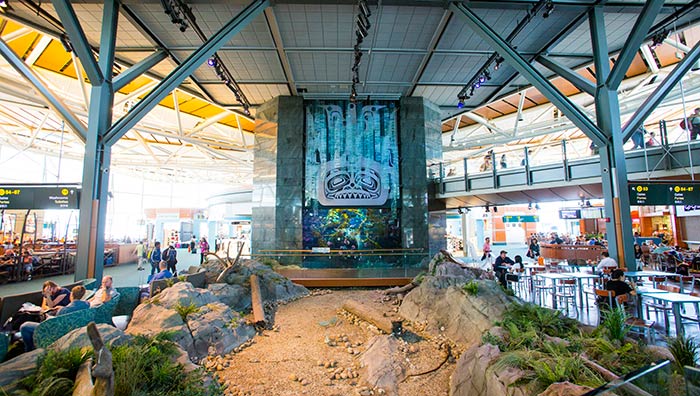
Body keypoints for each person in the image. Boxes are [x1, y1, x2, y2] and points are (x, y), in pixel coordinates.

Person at [20, 285, 89, 351]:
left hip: (57, 333)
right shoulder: (86, 305)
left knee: (25, 326)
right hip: (73, 330)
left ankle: (29, 349)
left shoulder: (63, 311)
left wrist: (48, 317)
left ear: (71, 295)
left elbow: (55, 323)